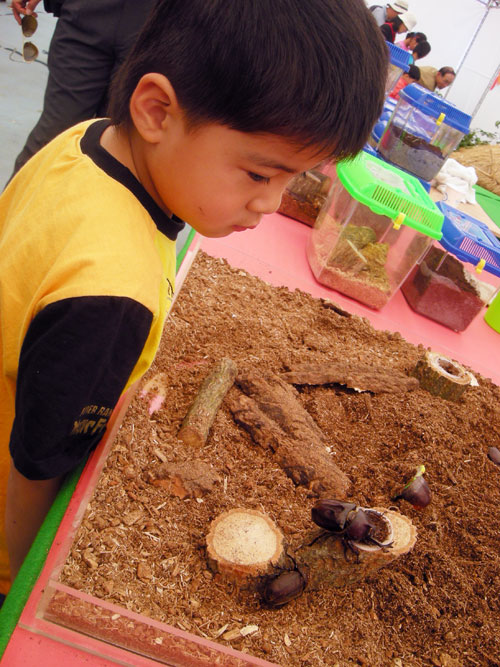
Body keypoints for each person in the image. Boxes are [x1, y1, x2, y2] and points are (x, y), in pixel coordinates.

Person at [0, 0, 388, 595]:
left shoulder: (87, 139)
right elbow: (36, 468)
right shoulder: (111, 298)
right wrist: (20, 586)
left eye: (296, 180)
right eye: (260, 175)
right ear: (157, 111)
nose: (270, 203)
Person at [9, 0, 156, 177]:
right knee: (54, 135)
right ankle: (15, 203)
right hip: (86, 14)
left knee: (123, 147)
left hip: (157, 25)